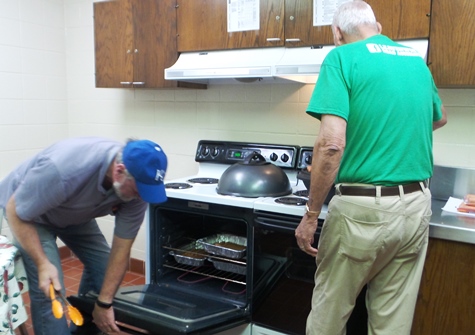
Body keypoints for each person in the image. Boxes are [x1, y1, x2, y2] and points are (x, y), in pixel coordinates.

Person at [295, 1, 447, 334]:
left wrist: (310, 215)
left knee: (328, 317)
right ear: (376, 26)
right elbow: (439, 117)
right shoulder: (415, 61)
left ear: (337, 33)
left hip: (361, 214)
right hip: (416, 207)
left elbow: (332, 145)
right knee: (392, 321)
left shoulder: (341, 57)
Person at [0, 137, 168, 335]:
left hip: (74, 213)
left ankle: (82, 330)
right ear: (119, 171)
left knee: (105, 270)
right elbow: (15, 209)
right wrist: (43, 263)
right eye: (139, 190)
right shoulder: (65, 169)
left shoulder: (138, 189)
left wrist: (104, 305)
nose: (142, 197)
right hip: (30, 214)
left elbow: (121, 250)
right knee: (51, 291)